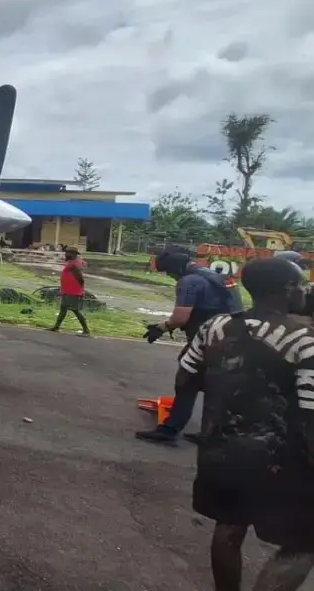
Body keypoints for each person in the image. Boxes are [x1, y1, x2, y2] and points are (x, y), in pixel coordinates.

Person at [177, 257, 314, 591]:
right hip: (283, 458)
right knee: (303, 544)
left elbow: (185, 379)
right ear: (287, 289)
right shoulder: (305, 339)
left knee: (228, 527)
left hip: (221, 449)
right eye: (301, 284)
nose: (305, 290)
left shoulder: (216, 327)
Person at [136, 245, 244, 445]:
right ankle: (211, 432)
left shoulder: (189, 281)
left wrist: (161, 327)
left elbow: (180, 318)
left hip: (208, 337)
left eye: (169, 272)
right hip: (233, 336)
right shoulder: (216, 276)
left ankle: (169, 430)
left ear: (175, 269)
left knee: (186, 380)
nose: (170, 276)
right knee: (214, 385)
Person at [48, 246, 91, 336]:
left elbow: (80, 278)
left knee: (75, 310)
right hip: (67, 290)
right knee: (63, 309)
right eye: (66, 253)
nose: (66, 254)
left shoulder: (75, 264)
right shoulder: (72, 262)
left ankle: (86, 330)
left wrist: (80, 290)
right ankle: (56, 327)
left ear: (74, 254)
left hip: (73, 292)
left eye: (68, 253)